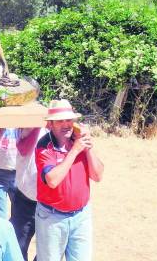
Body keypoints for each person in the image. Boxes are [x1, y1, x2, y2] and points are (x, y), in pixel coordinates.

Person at [35, 100, 104, 261]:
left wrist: (88, 148)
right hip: (52, 218)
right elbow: (52, 180)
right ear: (50, 125)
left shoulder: (79, 141)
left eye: (69, 120)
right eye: (60, 121)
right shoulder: (44, 146)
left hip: (81, 215)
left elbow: (98, 176)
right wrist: (75, 150)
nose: (66, 125)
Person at [9, 128, 45, 260]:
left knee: (49, 250)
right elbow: (23, 148)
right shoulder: (31, 121)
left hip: (54, 204)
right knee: (17, 246)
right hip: (26, 197)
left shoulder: (67, 130)